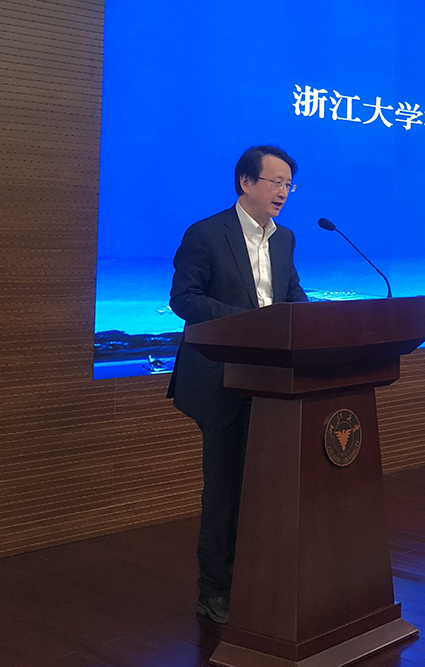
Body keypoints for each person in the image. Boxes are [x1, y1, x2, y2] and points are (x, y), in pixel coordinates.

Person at [167, 145, 309, 625]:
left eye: (288, 184)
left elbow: (291, 295)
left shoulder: (285, 239)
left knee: (266, 487)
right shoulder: (206, 233)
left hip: (272, 382)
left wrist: (319, 323)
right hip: (220, 379)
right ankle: (215, 591)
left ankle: (257, 575)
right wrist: (252, 322)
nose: (283, 192)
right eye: (275, 182)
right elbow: (184, 300)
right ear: (246, 182)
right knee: (225, 490)